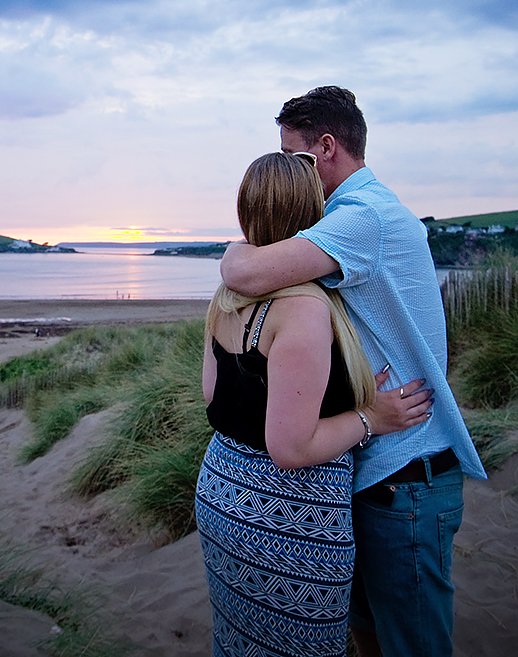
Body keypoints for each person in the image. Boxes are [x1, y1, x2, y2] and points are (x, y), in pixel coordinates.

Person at [221, 86, 487, 657]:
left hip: (405, 475)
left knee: (413, 645)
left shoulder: (364, 218)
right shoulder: (351, 216)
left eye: (294, 158)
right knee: (368, 636)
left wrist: (230, 251)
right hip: (379, 472)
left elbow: (246, 273)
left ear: (325, 148)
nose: (289, 173)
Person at [197, 151, 432, 657]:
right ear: (313, 212)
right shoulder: (302, 307)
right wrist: (372, 417)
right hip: (285, 516)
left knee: (240, 643)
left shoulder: (228, 293)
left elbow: (214, 397)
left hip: (221, 491)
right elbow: (291, 446)